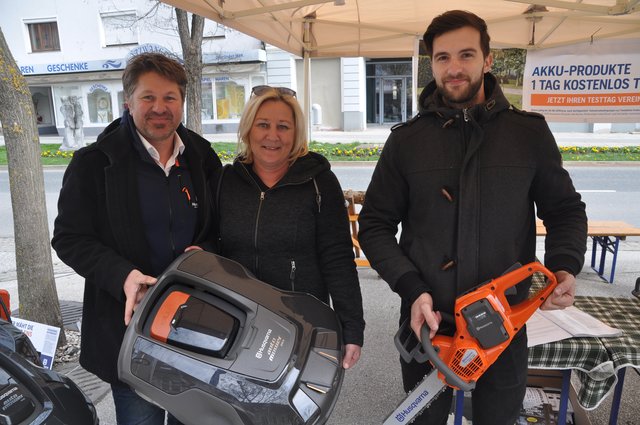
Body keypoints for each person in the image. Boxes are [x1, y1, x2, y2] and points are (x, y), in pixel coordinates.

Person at [358, 10, 587, 425]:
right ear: (432, 64)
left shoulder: (528, 133)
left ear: (488, 59)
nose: (454, 68)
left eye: (466, 54)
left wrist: (564, 266)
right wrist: (411, 288)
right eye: (442, 58)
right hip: (429, 322)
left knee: (498, 419)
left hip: (504, 322)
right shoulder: (406, 142)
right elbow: (373, 225)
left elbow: (565, 209)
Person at [52, 52, 221, 425]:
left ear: (182, 102)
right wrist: (122, 275)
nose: (160, 108)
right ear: (128, 102)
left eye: (169, 98)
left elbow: (218, 227)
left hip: (194, 331)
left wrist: (206, 251)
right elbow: (69, 238)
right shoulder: (94, 163)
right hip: (129, 332)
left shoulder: (202, 157)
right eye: (148, 97)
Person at [214, 85, 365, 369]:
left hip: (301, 325)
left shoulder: (319, 183)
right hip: (239, 324)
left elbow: (338, 259)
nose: (272, 136)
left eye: (283, 126)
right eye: (263, 125)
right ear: (248, 129)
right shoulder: (226, 182)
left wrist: (352, 328)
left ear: (296, 133)